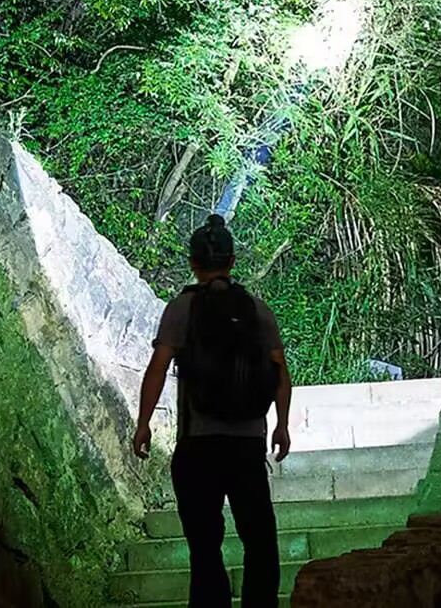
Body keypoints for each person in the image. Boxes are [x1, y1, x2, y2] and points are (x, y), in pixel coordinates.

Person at [133, 213, 292, 608]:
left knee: (204, 546)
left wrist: (143, 423)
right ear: (232, 261)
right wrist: (282, 426)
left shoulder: (181, 309)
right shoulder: (257, 310)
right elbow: (280, 372)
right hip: (246, 445)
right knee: (259, 539)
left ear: (193, 263)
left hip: (198, 445)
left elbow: (157, 369)